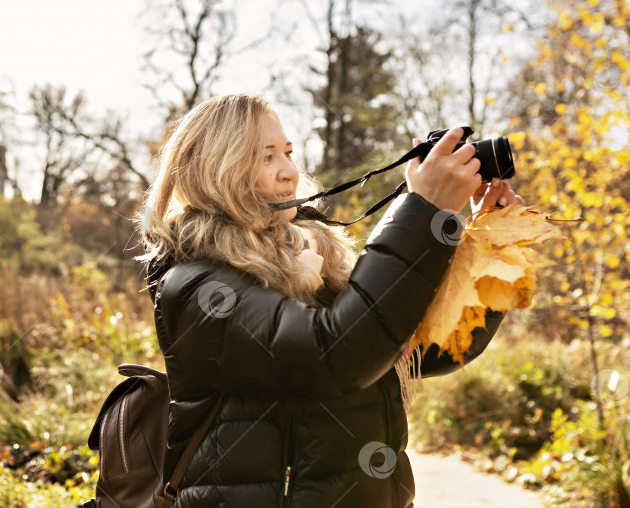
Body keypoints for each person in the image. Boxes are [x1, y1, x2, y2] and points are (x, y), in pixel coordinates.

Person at [137, 94, 523, 507]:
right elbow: (334, 354)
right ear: (216, 171)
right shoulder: (198, 286)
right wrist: (423, 209)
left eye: (287, 153)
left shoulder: (317, 265)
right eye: (265, 157)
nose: (289, 172)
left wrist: (490, 246)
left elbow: (423, 348)